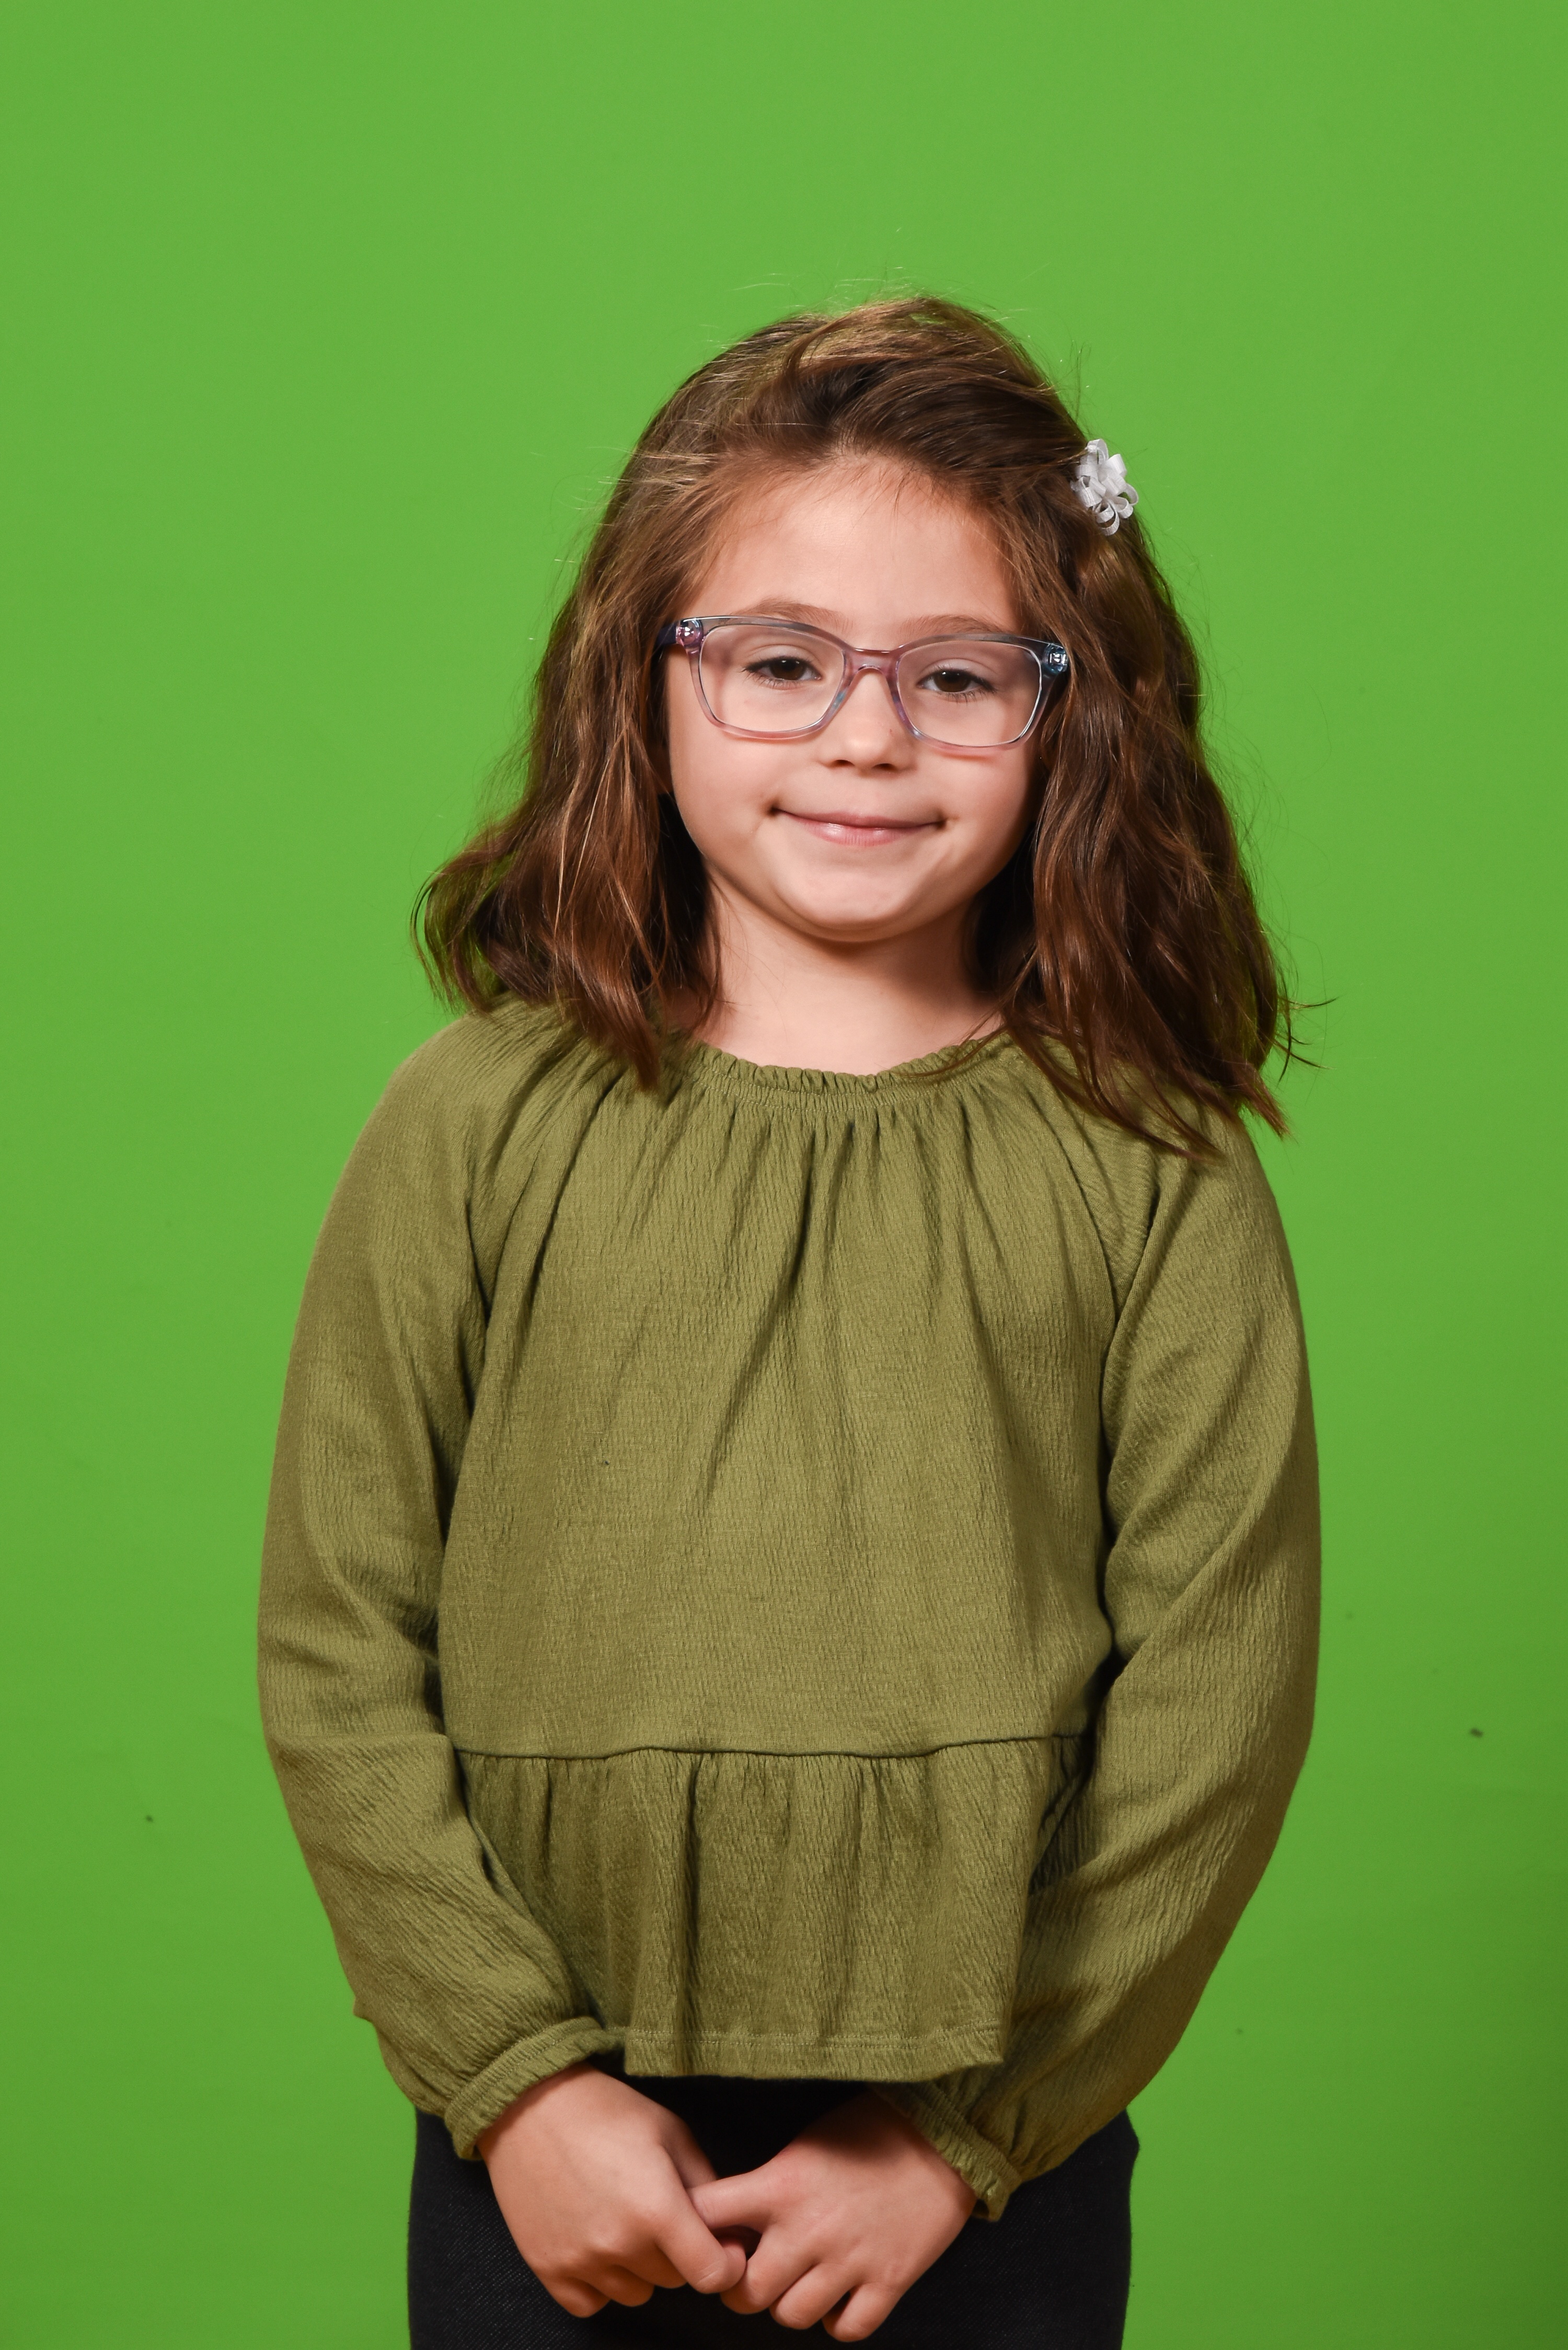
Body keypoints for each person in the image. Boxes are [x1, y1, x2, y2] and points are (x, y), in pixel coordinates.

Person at [259, 297, 1319, 2347]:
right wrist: (517, 2080)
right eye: (780, 662)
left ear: (1070, 710)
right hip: (546, 2138)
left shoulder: (1151, 1161)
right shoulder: (473, 1123)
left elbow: (1219, 1694)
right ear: (642, 679)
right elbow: (337, 1642)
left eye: (956, 675)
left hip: (982, 2152)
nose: (865, 738)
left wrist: (961, 2130)